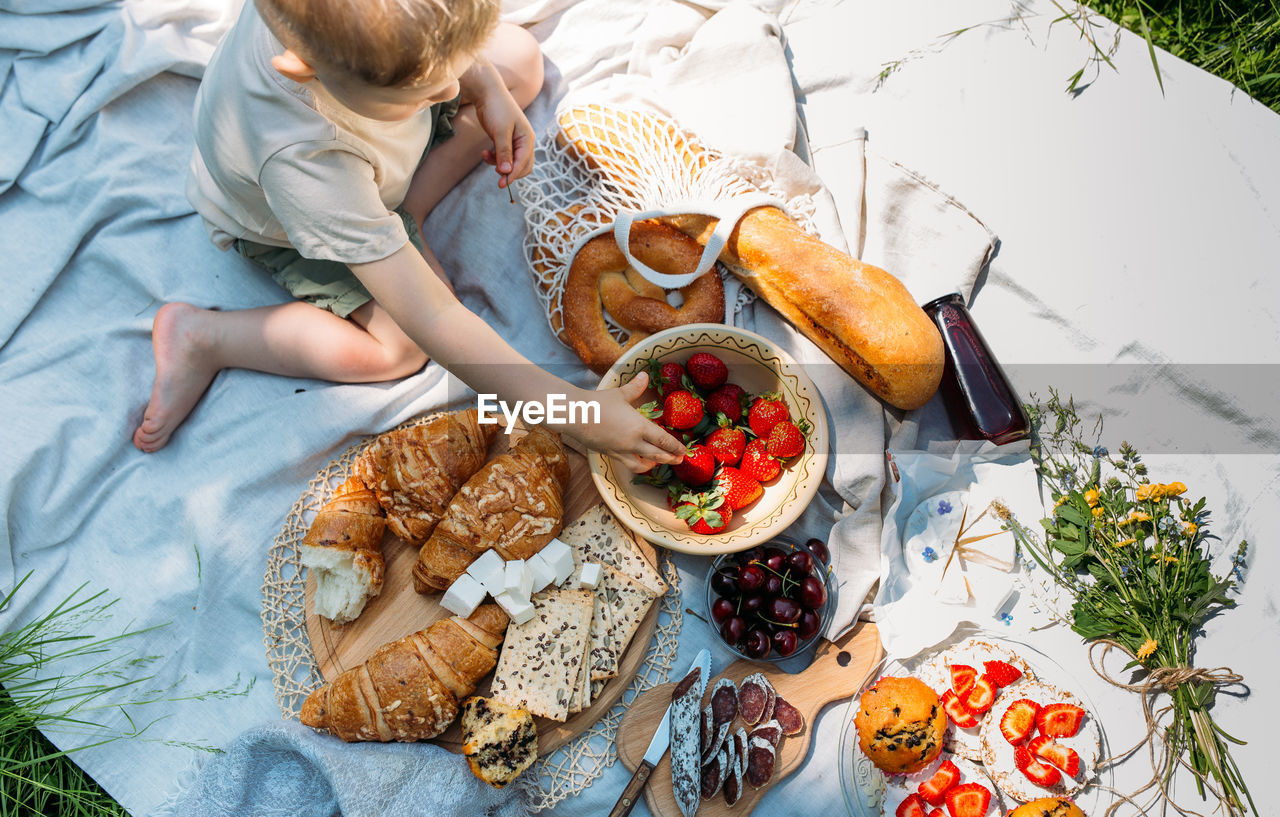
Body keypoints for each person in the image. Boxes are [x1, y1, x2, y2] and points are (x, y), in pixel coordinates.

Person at [132, 0, 684, 473]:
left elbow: (455, 70)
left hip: (378, 166)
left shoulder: (357, 44)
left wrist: (485, 82)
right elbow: (436, 318)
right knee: (397, 348)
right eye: (423, 89)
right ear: (304, 69)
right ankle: (205, 337)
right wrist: (575, 413)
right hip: (288, 227)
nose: (450, 87)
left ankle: (405, 214)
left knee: (517, 59)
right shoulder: (302, 162)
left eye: (451, 70)